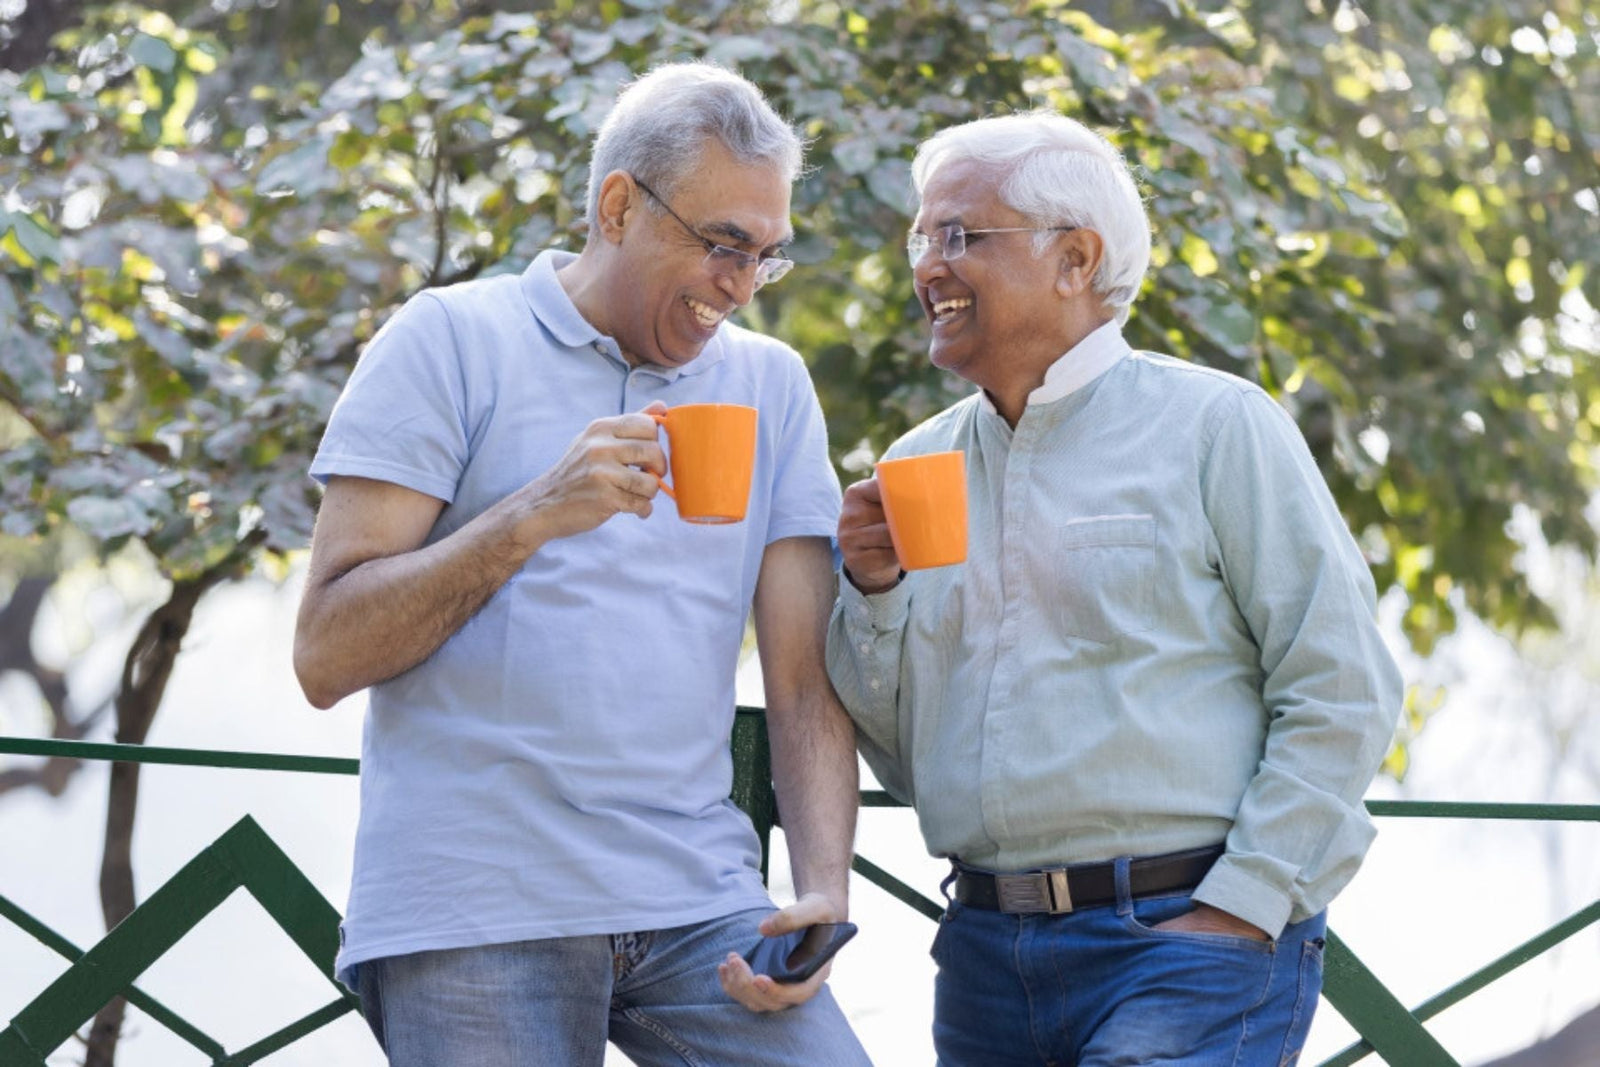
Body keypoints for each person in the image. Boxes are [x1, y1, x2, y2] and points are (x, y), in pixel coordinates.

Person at [294, 62, 871, 1067]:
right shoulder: (450, 339)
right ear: (618, 205)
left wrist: (823, 881)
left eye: (766, 256)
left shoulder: (770, 384)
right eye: (721, 244)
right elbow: (325, 653)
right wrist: (530, 516)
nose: (739, 287)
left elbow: (800, 670)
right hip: (475, 896)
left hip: (699, 896)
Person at [825, 111, 1403, 1066]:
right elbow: (901, 753)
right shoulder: (914, 464)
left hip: (1184, 942)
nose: (928, 263)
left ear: (1076, 258)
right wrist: (873, 588)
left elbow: (1342, 682)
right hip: (982, 954)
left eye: (961, 235)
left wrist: (1243, 905)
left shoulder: (1219, 426)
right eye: (922, 236)